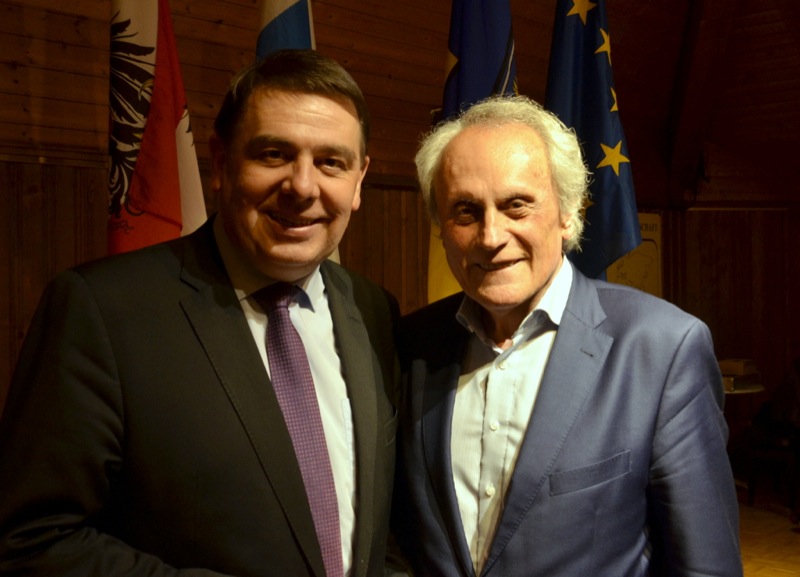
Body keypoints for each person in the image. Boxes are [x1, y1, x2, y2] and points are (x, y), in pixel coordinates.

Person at [0, 49, 399, 577]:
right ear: (221, 161)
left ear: (359, 180)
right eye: (274, 154)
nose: (303, 187)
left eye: (331, 162)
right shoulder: (102, 310)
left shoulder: (374, 310)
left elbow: (384, 529)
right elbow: (31, 541)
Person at [391, 95, 742, 576]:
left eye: (517, 206)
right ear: (441, 226)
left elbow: (707, 566)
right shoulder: (413, 344)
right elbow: (401, 542)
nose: (490, 236)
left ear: (569, 212)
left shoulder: (661, 349)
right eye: (466, 211)